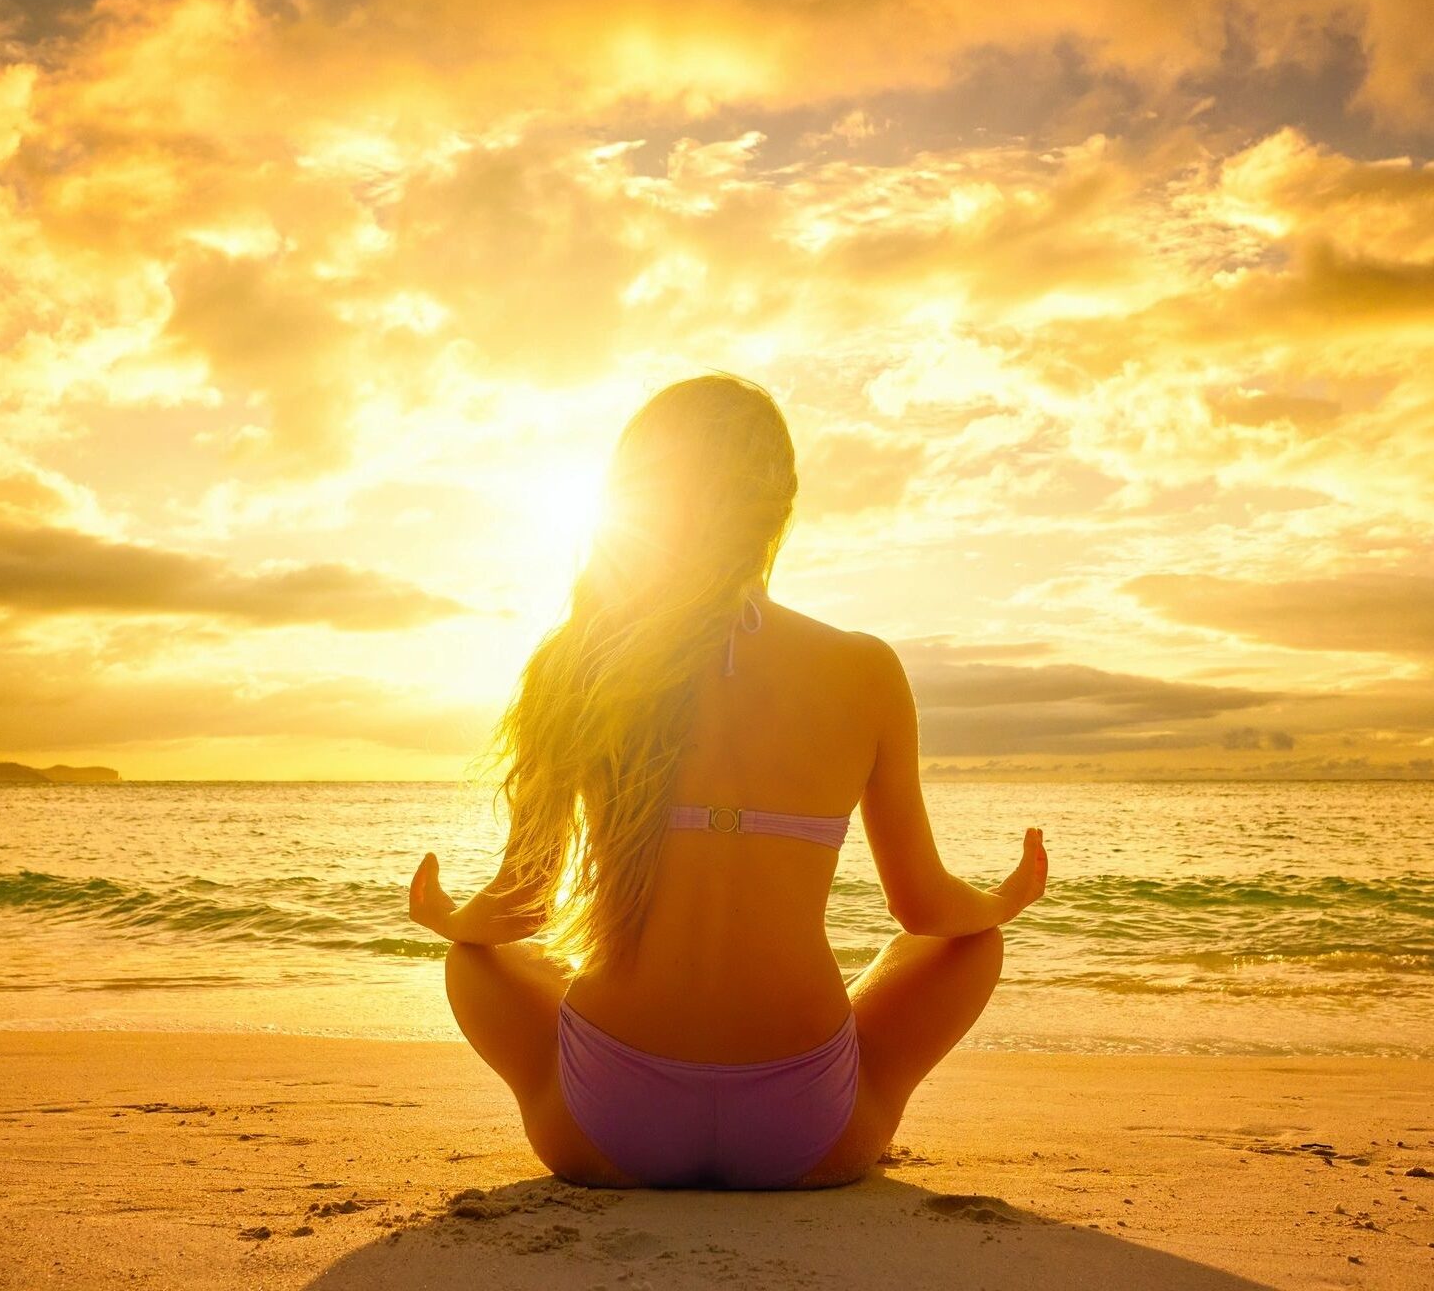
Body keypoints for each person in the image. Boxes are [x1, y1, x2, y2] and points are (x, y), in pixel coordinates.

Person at [409, 371, 1048, 1190]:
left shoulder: (578, 661)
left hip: (610, 1123)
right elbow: (923, 908)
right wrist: (1002, 900)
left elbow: (520, 905)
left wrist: (445, 916)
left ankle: (585, 1112)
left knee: (476, 961)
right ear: (777, 509)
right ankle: (855, 1115)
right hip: (805, 1125)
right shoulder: (865, 669)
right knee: (970, 948)